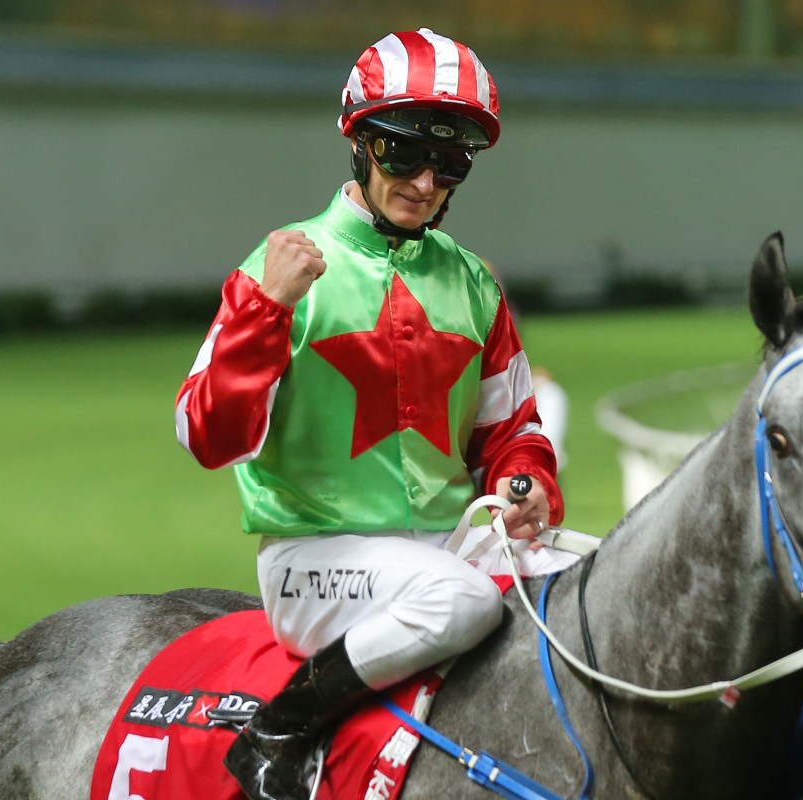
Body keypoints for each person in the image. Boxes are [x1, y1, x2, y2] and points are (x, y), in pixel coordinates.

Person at [175, 28, 574, 800]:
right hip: (317, 561)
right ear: (359, 143)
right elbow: (204, 436)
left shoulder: (473, 287)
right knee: (457, 600)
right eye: (403, 155)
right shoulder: (280, 267)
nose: (426, 182)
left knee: (593, 581)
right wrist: (264, 313)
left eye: (450, 163)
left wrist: (526, 485)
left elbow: (513, 432)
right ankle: (279, 729)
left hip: (451, 545)